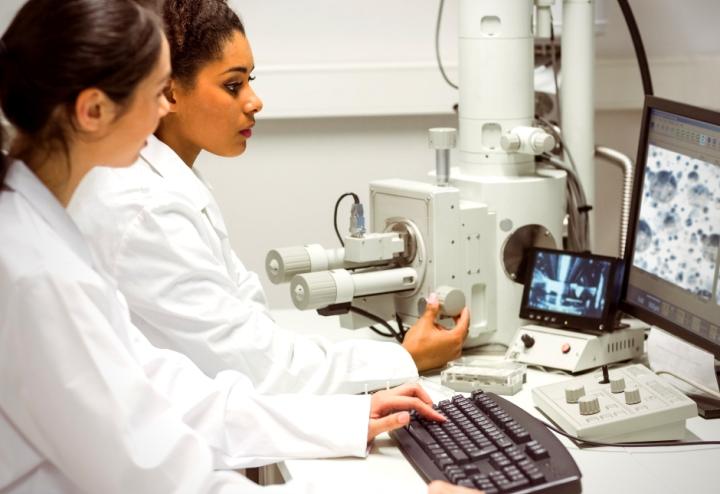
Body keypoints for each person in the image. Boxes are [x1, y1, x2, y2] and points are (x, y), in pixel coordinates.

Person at [0, 1, 446, 492]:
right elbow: (160, 475)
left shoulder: (43, 234)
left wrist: (339, 420)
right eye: (155, 93)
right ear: (94, 111)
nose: (165, 108)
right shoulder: (36, 271)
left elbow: (160, 387)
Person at [67, 0, 470, 395]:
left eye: (250, 81)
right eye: (232, 84)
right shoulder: (144, 206)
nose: (254, 101)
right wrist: (404, 358)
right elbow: (256, 365)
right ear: (169, 94)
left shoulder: (175, 184)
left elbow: (251, 328)